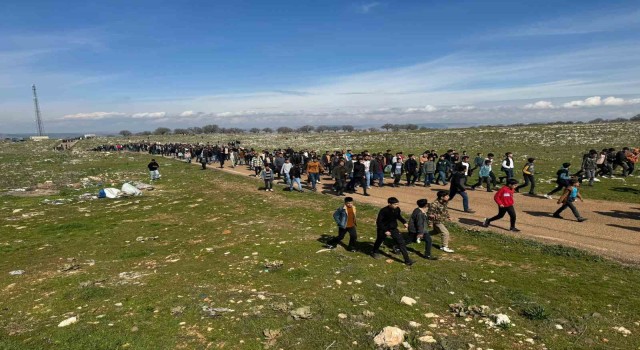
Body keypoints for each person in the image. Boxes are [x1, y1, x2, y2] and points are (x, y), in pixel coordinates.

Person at [371, 197, 414, 266]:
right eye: (395, 204)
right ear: (389, 204)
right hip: (383, 229)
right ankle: (374, 251)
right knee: (379, 240)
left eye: (397, 204)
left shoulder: (397, 209)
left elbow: (398, 216)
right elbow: (379, 222)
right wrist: (385, 230)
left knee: (401, 242)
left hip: (393, 229)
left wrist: (404, 222)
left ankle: (407, 260)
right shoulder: (383, 211)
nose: (397, 205)